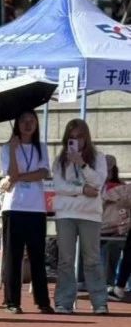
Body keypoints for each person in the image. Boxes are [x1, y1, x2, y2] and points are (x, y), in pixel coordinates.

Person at [0, 111, 53, 314]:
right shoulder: (7, 148)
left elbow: (43, 173)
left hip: (36, 208)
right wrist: (14, 151)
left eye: (32, 120)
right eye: (23, 120)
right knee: (13, 256)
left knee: (37, 255)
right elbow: (11, 173)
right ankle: (11, 301)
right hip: (14, 206)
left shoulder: (41, 147)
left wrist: (19, 177)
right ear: (17, 124)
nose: (28, 124)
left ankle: (42, 301)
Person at [52, 119, 108, 314]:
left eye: (80, 137)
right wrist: (82, 190)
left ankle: (99, 302)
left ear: (87, 137)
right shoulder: (60, 160)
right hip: (65, 213)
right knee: (65, 260)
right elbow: (59, 186)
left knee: (92, 259)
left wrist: (82, 164)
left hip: (90, 214)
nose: (76, 141)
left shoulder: (98, 157)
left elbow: (98, 182)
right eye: (72, 138)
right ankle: (64, 302)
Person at [102, 159, 131, 301]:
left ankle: (118, 286)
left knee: (118, 246)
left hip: (118, 229)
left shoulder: (121, 186)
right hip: (106, 227)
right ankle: (118, 286)